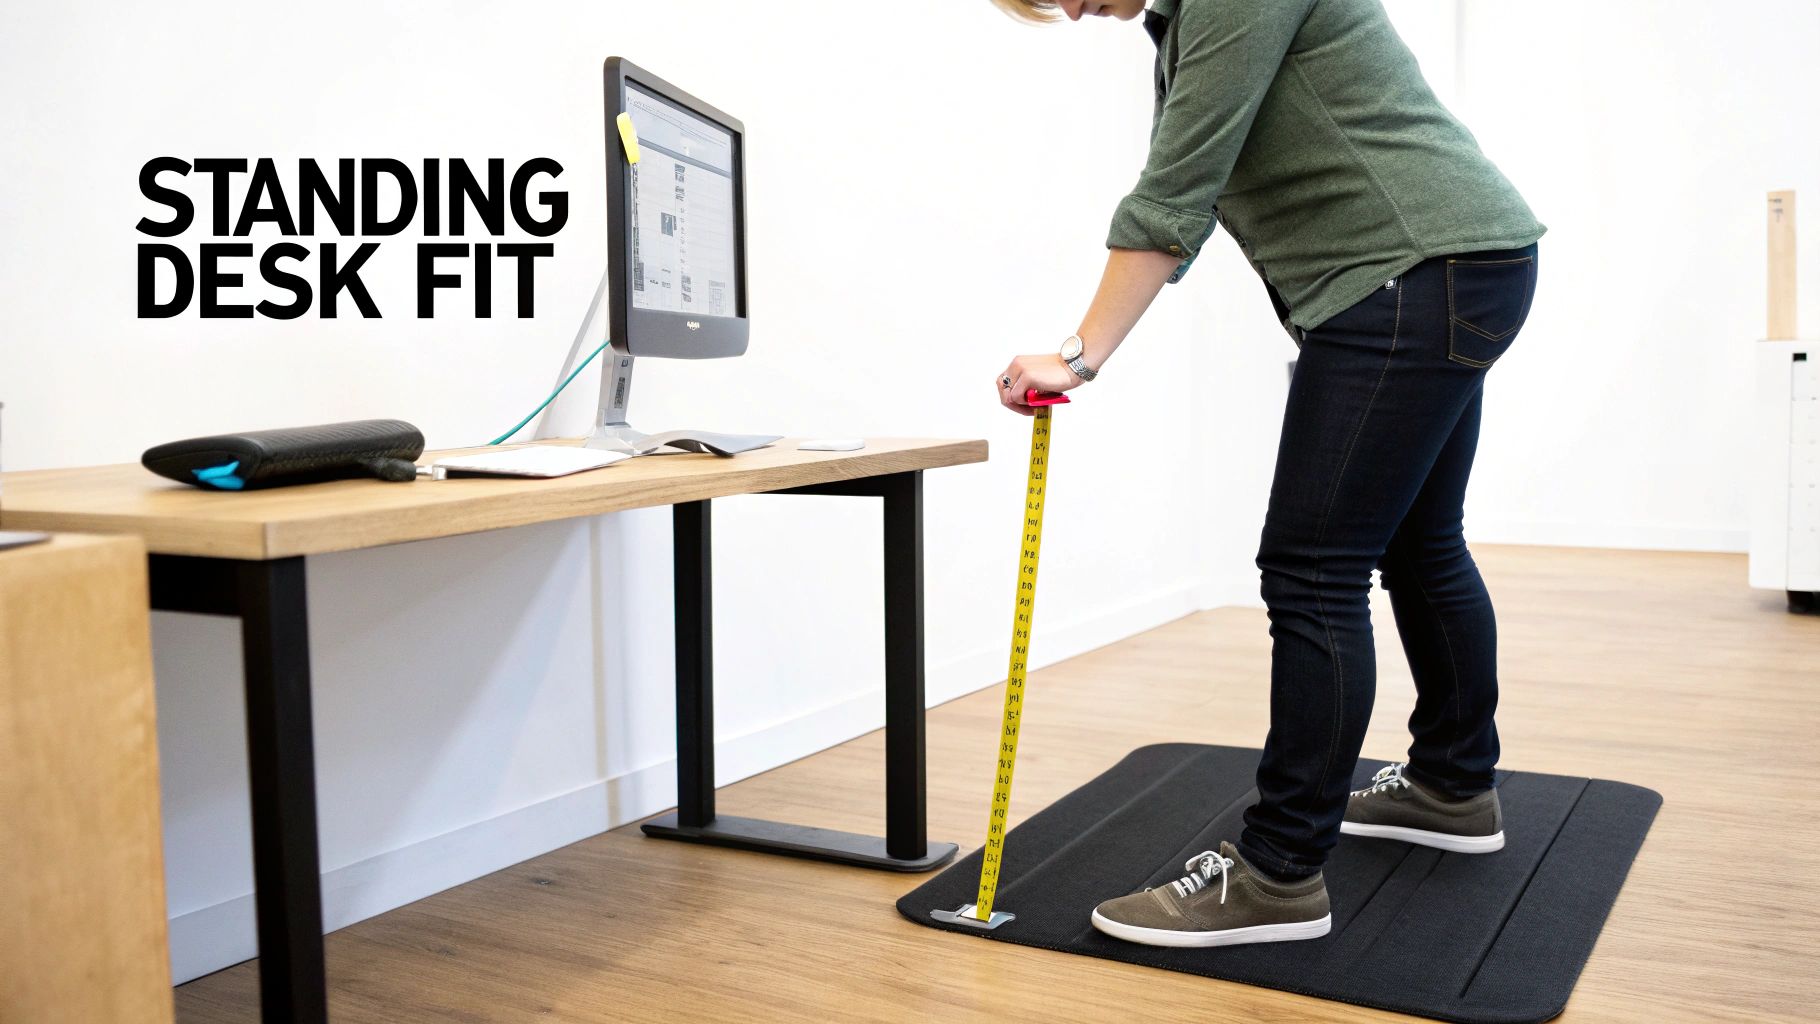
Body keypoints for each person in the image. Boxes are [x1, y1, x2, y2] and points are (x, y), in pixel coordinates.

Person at [990, 0, 1543, 948]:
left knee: (1313, 569)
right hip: (1449, 269)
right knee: (1419, 540)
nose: (1069, 6)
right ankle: (1454, 787)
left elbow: (1177, 191)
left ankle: (1279, 874)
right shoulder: (1181, 18)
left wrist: (1079, 356)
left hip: (1407, 277)